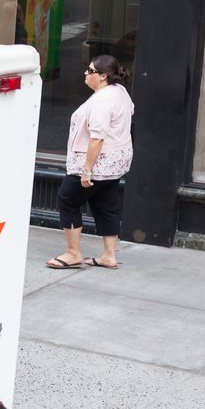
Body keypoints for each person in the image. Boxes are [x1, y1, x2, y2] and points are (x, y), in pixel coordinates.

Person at [48, 54, 134, 270]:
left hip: (95, 164)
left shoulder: (102, 101)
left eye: (91, 71)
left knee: (67, 199)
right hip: (116, 163)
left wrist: (87, 170)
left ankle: (73, 253)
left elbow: (97, 138)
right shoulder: (120, 92)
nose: (86, 74)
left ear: (103, 76)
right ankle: (108, 255)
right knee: (106, 204)